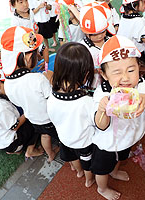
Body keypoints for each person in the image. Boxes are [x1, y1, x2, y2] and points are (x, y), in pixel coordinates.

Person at [92, 35, 145, 200]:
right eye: (117, 72)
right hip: (107, 144)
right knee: (102, 169)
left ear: (139, 67)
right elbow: (100, 125)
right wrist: (103, 109)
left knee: (121, 157)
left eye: (131, 70)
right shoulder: (102, 93)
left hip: (129, 137)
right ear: (104, 74)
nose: (125, 78)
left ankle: (115, 171)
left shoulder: (141, 86)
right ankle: (102, 188)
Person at [1, 26, 59, 162]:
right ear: (27, 58)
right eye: (35, 53)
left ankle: (50, 154)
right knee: (59, 134)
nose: (38, 56)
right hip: (50, 118)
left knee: (45, 135)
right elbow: (52, 98)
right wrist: (50, 78)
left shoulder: (7, 83)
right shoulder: (37, 79)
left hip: (33, 119)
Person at [47, 42, 95, 187]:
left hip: (65, 138)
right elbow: (95, 122)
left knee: (73, 157)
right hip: (84, 141)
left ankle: (78, 172)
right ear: (85, 73)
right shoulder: (86, 101)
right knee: (87, 162)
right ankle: (88, 179)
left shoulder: (52, 94)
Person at [0, 59, 43, 157]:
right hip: (11, 141)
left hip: (2, 137)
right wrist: (28, 111)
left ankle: (18, 148)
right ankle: (29, 149)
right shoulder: (0, 107)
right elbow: (15, 127)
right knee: (36, 119)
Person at [79, 3, 115, 89]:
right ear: (86, 33)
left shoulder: (110, 41)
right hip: (92, 84)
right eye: (95, 34)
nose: (100, 36)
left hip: (110, 81)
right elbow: (80, 68)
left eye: (103, 32)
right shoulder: (82, 47)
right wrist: (93, 70)